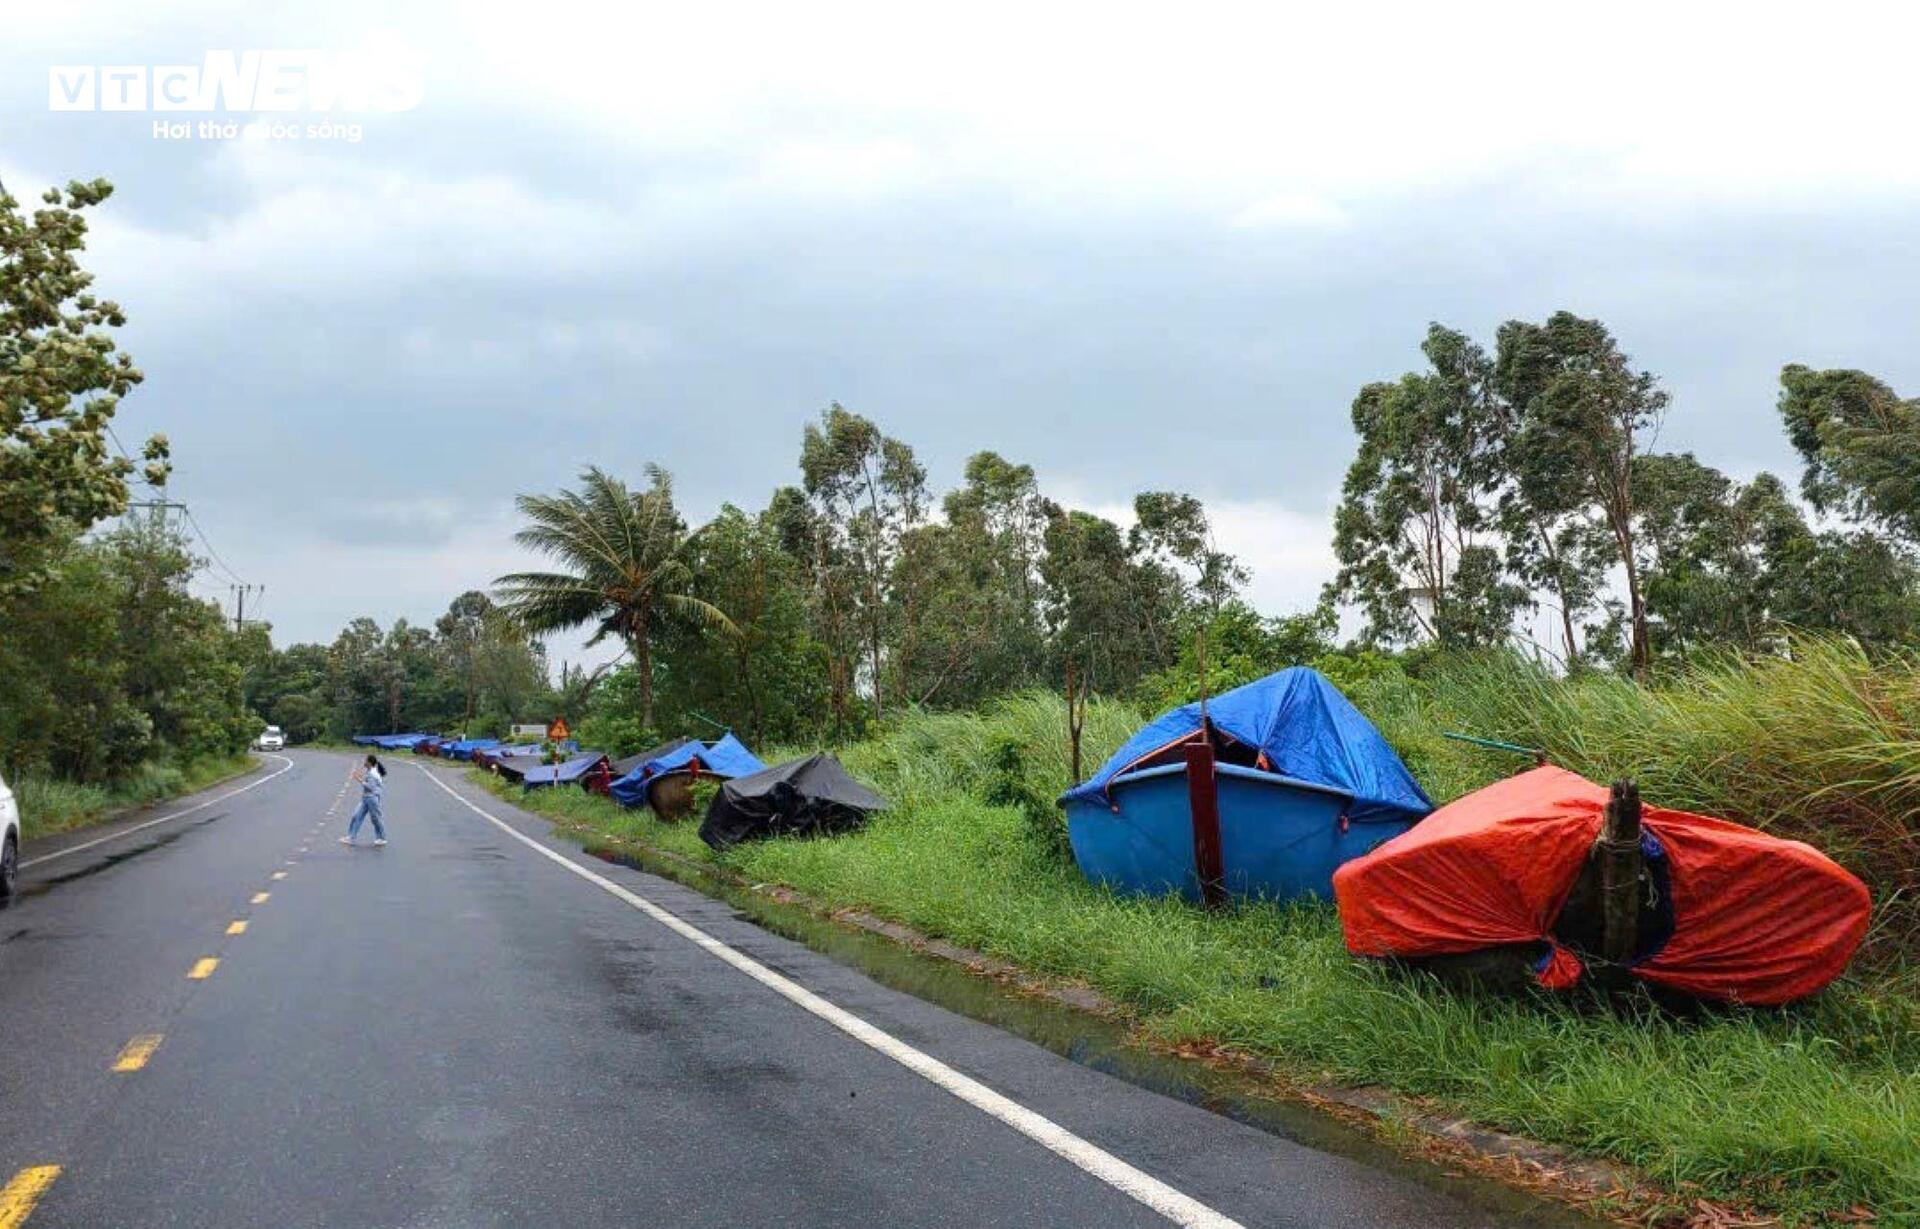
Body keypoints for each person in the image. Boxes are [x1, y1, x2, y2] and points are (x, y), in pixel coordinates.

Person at [341, 754, 388, 847]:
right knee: (356, 816)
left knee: (376, 818)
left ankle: (382, 838)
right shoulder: (370, 771)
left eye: (365, 761)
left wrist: (359, 779)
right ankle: (351, 837)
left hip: (372, 798)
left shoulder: (373, 774)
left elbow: (370, 787)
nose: (364, 762)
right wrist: (360, 776)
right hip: (366, 798)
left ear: (369, 763)